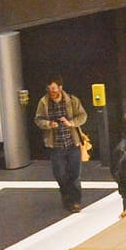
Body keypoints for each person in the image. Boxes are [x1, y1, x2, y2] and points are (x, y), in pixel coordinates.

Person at [33, 77, 88, 213]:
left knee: (75, 175)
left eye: (55, 90)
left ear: (60, 88)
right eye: (50, 90)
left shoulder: (72, 100)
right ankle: (66, 196)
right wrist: (49, 124)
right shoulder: (44, 102)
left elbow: (83, 116)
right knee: (60, 174)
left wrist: (71, 123)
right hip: (56, 145)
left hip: (72, 142)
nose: (52, 93)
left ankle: (75, 202)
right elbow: (38, 119)